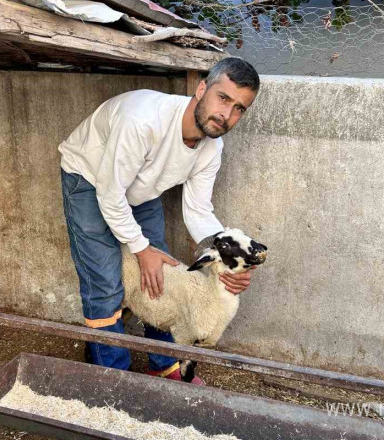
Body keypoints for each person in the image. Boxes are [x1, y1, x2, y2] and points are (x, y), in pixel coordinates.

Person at [59, 58, 260, 384]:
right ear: (201, 89)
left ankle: (163, 365)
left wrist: (225, 266)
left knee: (161, 276)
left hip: (139, 188)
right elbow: (110, 196)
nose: (227, 115)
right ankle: (112, 380)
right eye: (223, 98)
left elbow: (197, 210)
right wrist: (141, 249)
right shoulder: (142, 121)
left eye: (239, 108)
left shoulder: (212, 147)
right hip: (90, 178)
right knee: (105, 284)